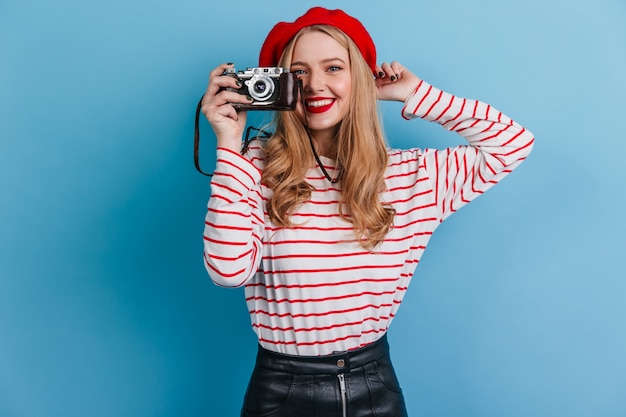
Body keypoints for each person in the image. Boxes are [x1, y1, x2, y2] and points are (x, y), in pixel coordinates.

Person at [200, 6, 534, 417]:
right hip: (281, 393)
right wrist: (229, 146)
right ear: (279, 85)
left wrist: (414, 94)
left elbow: (513, 143)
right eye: (298, 73)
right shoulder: (252, 168)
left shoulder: (412, 176)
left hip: (375, 389)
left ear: (360, 76)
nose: (314, 85)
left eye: (334, 67)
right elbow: (227, 271)